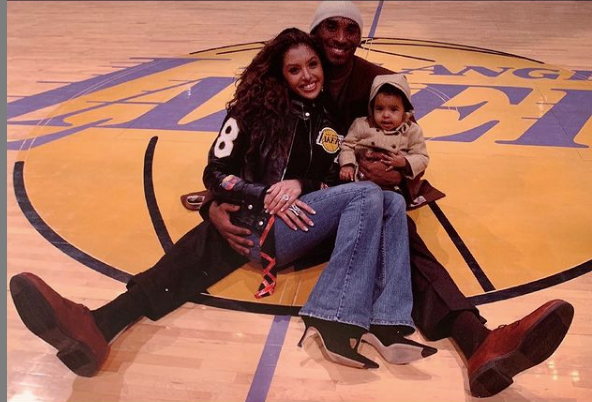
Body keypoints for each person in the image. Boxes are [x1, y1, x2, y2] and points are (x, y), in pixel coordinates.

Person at [9, 27, 435, 381]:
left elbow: (328, 177)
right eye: (295, 69)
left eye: (313, 65)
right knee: (190, 258)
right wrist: (251, 195)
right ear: (279, 74)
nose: (307, 76)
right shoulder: (250, 112)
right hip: (257, 222)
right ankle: (333, 318)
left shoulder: (327, 119)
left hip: (300, 222)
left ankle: (386, 323)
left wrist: (301, 183)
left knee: (386, 201)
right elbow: (214, 172)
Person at [205, 1, 575, 398]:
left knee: (389, 207)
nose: (341, 39)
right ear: (312, 36)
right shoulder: (275, 90)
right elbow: (227, 164)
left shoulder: (376, 81)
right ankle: (356, 319)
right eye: (330, 27)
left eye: (351, 29)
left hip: (343, 196)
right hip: (295, 210)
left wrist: (398, 173)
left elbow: (408, 142)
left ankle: (410, 327)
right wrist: (213, 206)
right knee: (375, 206)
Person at [339, 73, 430, 207]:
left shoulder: (412, 131)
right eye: (379, 109)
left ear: (405, 111)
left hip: (392, 187)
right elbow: (347, 145)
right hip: (360, 182)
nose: (386, 115)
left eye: (394, 110)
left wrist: (405, 162)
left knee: (397, 203)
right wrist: (347, 164)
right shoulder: (361, 124)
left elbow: (422, 157)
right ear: (371, 108)